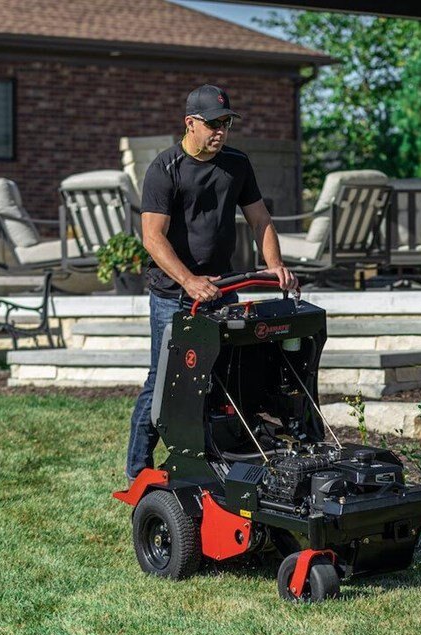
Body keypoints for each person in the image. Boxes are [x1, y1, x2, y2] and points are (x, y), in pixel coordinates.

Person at [125, 84, 298, 484]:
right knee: (163, 382)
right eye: (213, 124)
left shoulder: (237, 164)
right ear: (190, 122)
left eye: (227, 124)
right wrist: (188, 280)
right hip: (173, 294)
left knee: (221, 380)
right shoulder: (165, 168)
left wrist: (275, 266)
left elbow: (260, 220)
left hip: (222, 290)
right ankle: (138, 471)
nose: (221, 131)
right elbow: (152, 237)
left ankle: (212, 462)